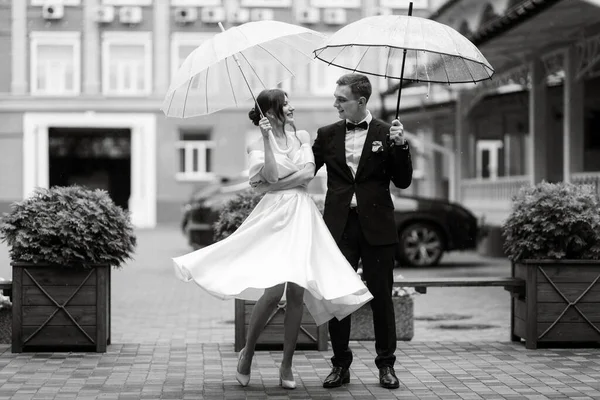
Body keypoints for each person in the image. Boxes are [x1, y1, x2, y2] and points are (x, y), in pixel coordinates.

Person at [172, 88, 373, 390]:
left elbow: (305, 176)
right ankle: (248, 353)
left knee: (296, 293)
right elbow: (266, 175)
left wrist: (274, 184)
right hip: (275, 218)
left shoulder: (302, 137)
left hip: (302, 216)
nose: (291, 108)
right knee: (272, 292)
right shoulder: (257, 142)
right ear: (270, 113)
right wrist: (267, 146)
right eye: (285, 104)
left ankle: (287, 364)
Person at [312, 73, 413, 390]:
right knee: (338, 297)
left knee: (381, 297)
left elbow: (403, 180)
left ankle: (386, 366)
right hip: (339, 227)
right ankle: (340, 364)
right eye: (336, 98)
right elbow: (304, 169)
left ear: (361, 101)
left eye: (341, 99)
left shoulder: (387, 132)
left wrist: (400, 146)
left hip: (378, 227)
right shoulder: (326, 134)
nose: (335, 104)